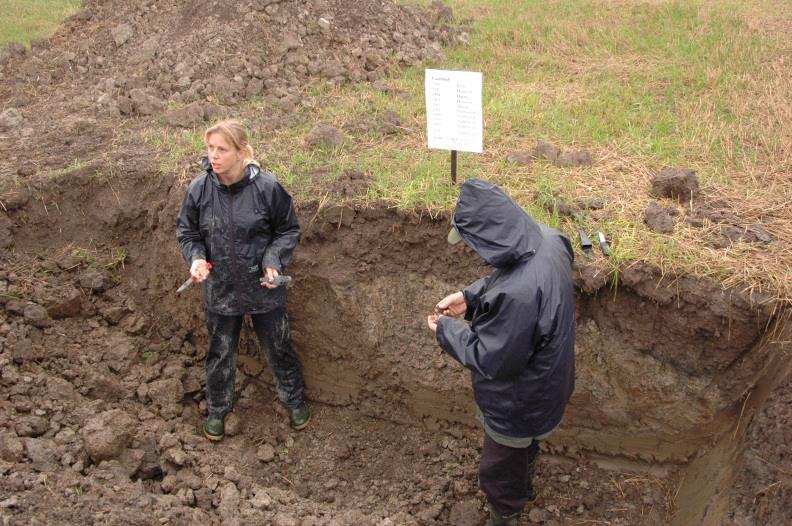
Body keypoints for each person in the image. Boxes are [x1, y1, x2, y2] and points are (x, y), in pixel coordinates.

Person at [426, 179, 575, 526]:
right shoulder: (549, 240)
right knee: (525, 450)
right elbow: (512, 274)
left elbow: (493, 359)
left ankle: (504, 514)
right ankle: (526, 482)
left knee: (500, 472)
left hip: (517, 404)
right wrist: (471, 296)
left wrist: (446, 331)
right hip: (550, 384)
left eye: (472, 241)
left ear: (490, 234)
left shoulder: (518, 295)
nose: (472, 249)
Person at [176, 119, 310, 442]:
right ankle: (218, 409)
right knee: (220, 351)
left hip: (263, 288)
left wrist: (272, 260)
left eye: (222, 149)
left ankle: (293, 400)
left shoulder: (267, 188)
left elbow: (287, 230)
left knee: (277, 345)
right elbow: (187, 232)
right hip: (220, 288)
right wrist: (196, 258)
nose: (214, 156)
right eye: (210, 149)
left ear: (241, 152)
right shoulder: (199, 189)